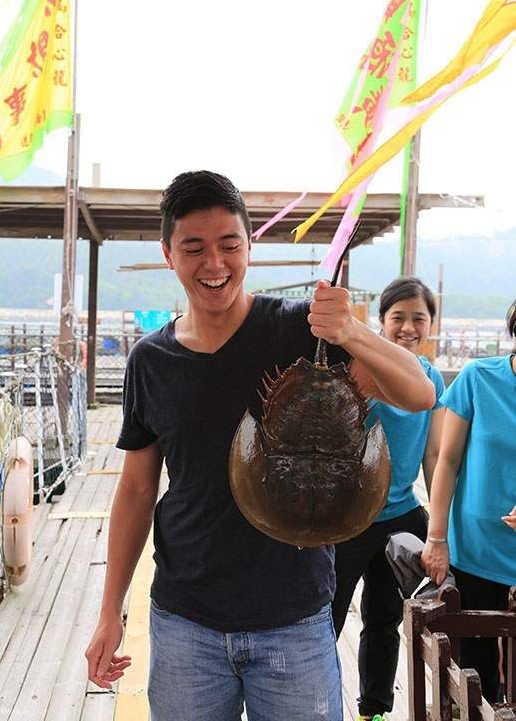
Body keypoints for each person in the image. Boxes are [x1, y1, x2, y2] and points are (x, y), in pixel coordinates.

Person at [85, 171, 435, 721]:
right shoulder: (150, 361)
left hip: (295, 617)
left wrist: (352, 331)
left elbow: (419, 394)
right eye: (194, 248)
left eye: (229, 244)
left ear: (251, 245)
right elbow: (135, 490)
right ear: (168, 254)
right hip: (185, 620)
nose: (215, 263)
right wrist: (111, 611)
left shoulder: (305, 330)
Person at [332, 276, 445, 721]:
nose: (408, 328)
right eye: (398, 318)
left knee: (384, 621)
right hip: (348, 519)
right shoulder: (361, 370)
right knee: (326, 616)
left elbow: (434, 455)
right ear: (381, 321)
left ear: (432, 323)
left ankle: (374, 711)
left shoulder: (432, 379)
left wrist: (439, 526)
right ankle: (318, 702)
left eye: (419, 318)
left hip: (402, 518)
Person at [421, 299, 516, 705]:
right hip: (476, 550)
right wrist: (436, 538)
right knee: (476, 673)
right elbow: (447, 461)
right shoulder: (479, 377)